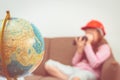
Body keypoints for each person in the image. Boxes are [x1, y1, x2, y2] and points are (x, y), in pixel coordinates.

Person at [44, 20, 111, 80]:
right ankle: (69, 78)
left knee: (77, 77)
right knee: (48, 64)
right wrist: (79, 49)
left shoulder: (104, 48)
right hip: (75, 69)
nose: (88, 35)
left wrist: (88, 44)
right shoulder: (85, 45)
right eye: (87, 32)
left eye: (91, 33)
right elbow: (74, 63)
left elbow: (94, 63)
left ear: (100, 34)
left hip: (89, 72)